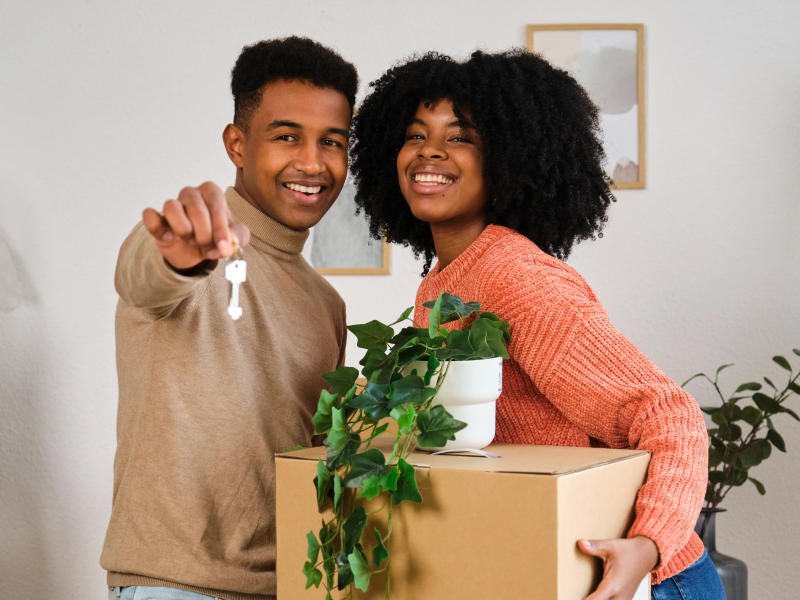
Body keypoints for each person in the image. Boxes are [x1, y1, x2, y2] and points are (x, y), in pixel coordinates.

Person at [350, 50, 725, 600]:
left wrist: (647, 545)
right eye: (415, 134)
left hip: (638, 579)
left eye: (460, 137)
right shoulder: (443, 281)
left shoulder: (514, 278)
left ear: (508, 159)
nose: (430, 151)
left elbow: (667, 414)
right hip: (552, 564)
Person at [101, 37, 357, 600]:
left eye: (332, 142)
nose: (312, 163)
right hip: (176, 585)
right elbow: (144, 275)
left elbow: (314, 454)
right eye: (287, 136)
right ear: (237, 145)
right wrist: (181, 254)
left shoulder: (326, 305)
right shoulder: (190, 241)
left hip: (288, 586)